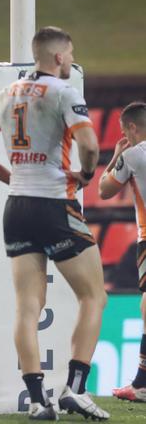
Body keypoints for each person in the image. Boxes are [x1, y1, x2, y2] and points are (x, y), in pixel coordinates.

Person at [0, 26, 109, 421]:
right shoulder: (64, 92)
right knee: (93, 297)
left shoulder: (6, 94)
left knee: (27, 306)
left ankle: (39, 400)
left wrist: (7, 175)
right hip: (54, 204)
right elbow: (90, 146)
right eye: (70, 53)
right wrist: (87, 175)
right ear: (60, 58)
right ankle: (74, 390)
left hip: (18, 207)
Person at [98, 102, 146, 403]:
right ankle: (141, 382)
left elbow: (104, 189)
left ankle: (141, 384)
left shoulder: (132, 155)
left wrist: (115, 154)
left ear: (130, 128)